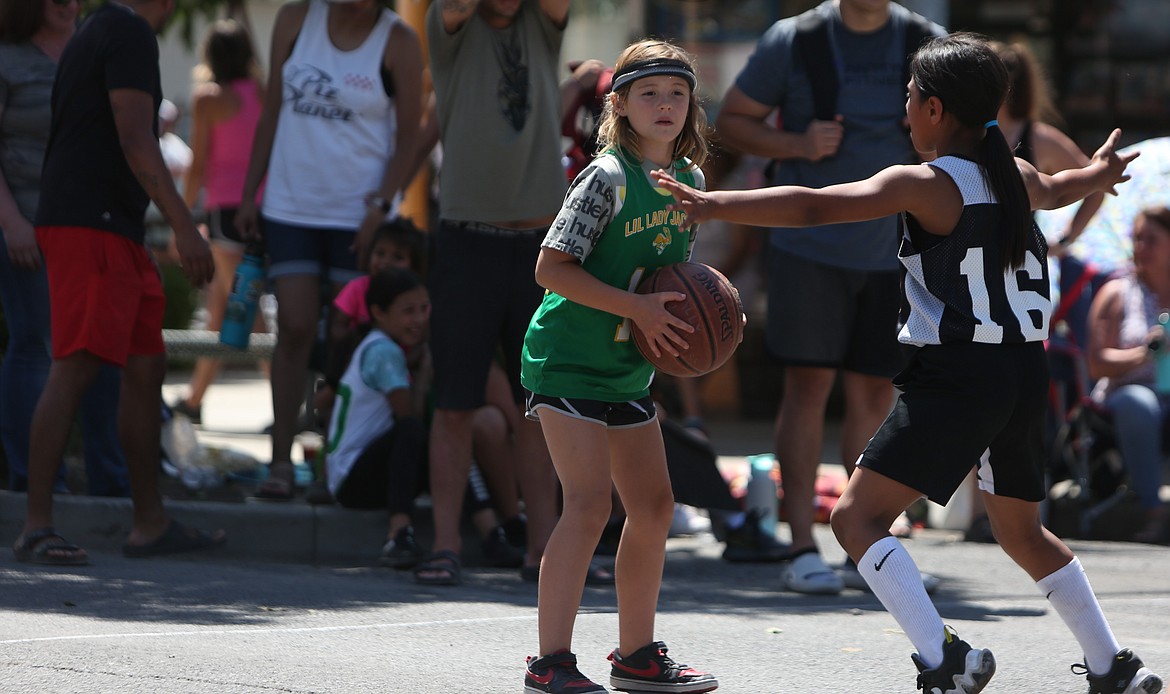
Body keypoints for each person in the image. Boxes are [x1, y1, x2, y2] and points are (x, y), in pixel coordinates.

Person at [654, 32, 1162, 694]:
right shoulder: (1015, 176)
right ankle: (1112, 665)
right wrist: (1098, 174)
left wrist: (715, 202)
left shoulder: (924, 184)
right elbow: (1064, 188)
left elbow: (815, 205)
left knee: (854, 519)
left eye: (910, 95)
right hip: (1021, 374)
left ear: (933, 109)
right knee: (1023, 533)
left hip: (956, 375)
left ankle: (944, 658)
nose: (904, 107)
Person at [713, 0, 945, 595]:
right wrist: (794, 143)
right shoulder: (794, 39)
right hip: (808, 248)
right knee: (807, 386)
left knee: (875, 391)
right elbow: (734, 121)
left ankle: (867, 548)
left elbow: (971, 129)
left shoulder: (925, 40)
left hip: (896, 248)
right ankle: (800, 546)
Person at [520, 39, 719, 694]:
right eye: (649, 94)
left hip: (625, 367)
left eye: (677, 94)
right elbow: (551, 267)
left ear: (692, 106)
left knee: (656, 506)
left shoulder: (690, 182)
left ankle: (636, 655)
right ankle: (550, 662)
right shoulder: (604, 178)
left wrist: (678, 327)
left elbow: (671, 278)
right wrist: (634, 306)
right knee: (587, 503)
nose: (665, 105)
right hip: (569, 359)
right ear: (621, 106)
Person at [13, 0, 221, 565]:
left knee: (145, 365)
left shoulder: (98, 29)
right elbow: (136, 138)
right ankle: (36, 524)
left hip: (111, 225)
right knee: (75, 363)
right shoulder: (126, 31)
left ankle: (149, 522)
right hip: (92, 224)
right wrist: (185, 225)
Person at [236, 0, 423, 501]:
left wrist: (380, 208)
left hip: (356, 215)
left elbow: (409, 138)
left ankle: (329, 465)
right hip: (290, 205)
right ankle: (279, 461)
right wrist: (251, 191)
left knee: (346, 341)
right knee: (294, 326)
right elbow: (272, 108)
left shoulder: (398, 40)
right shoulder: (297, 19)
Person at [418, 0, 568, 586]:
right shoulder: (449, 23)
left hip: (543, 248)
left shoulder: (542, 22)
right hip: (467, 240)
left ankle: (545, 550)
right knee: (455, 404)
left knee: (542, 408)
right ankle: (447, 545)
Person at [0, 0, 133, 500]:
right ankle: (35, 485)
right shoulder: (7, 58)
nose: (69, 3)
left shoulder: (92, 47)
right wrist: (11, 222)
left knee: (97, 349)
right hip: (25, 224)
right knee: (36, 345)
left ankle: (109, 482)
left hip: (89, 226)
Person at [170, 19, 268, 426]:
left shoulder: (207, 99)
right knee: (222, 308)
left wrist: (183, 219)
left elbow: (198, 166)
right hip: (264, 209)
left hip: (227, 213)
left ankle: (289, 407)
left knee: (246, 307)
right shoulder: (263, 93)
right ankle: (194, 400)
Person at [324, 266, 429, 568]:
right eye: (409, 311)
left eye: (424, 309)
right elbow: (409, 416)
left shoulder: (375, 344)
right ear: (379, 313)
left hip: (346, 476)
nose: (419, 319)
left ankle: (489, 524)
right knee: (414, 432)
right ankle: (399, 531)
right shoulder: (384, 351)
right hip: (353, 482)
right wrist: (423, 377)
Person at [1085, 206, 1170, 545]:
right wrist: (1145, 353)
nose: (1141, 247)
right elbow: (1096, 362)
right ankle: (1153, 514)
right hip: (1125, 392)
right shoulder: (1117, 292)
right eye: (1137, 238)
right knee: (1140, 405)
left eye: (1152, 239)